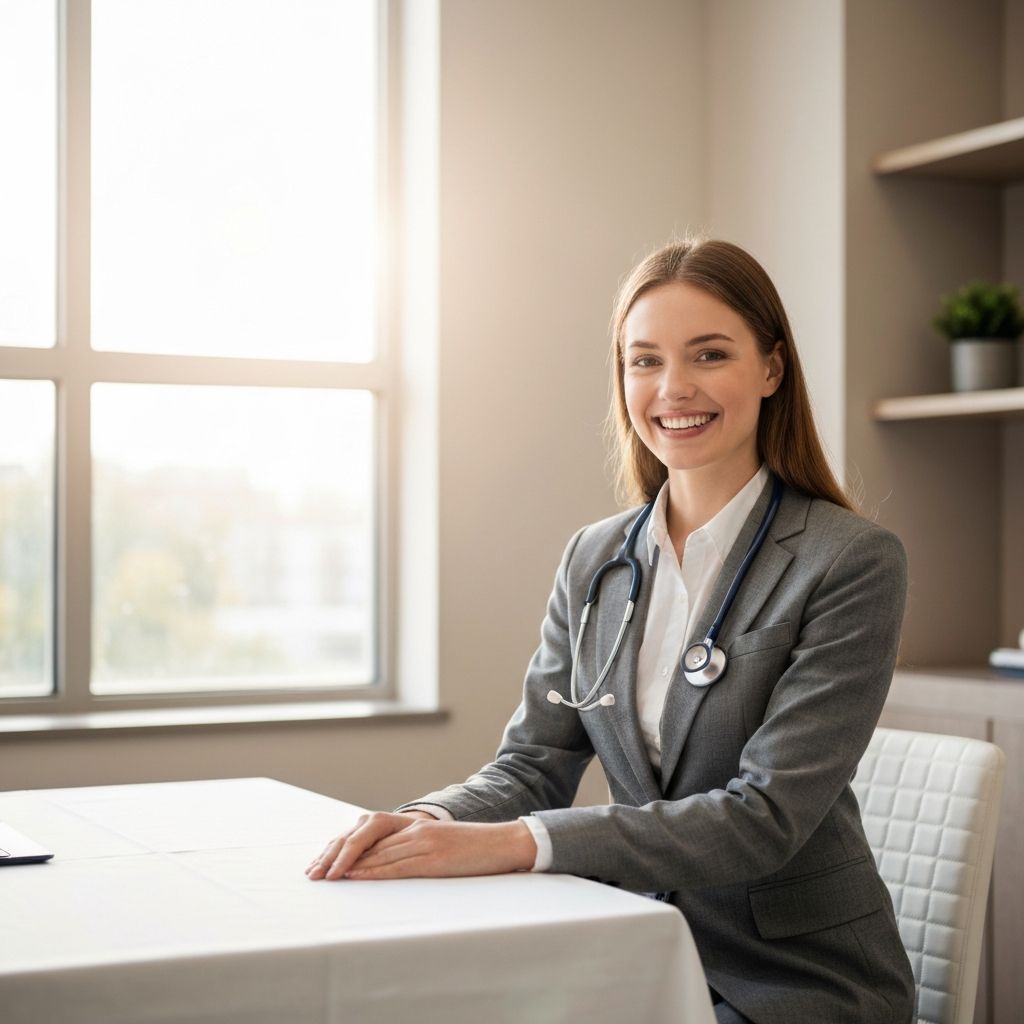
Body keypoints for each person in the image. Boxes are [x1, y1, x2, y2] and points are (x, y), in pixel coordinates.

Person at [305, 236, 916, 1024]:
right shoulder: (597, 557)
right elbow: (535, 762)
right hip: (629, 952)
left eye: (709, 354)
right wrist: (431, 821)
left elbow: (765, 819)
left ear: (771, 368)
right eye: (645, 360)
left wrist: (520, 843)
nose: (674, 388)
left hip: (794, 982)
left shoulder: (849, 561)